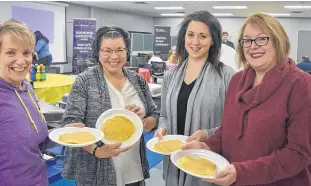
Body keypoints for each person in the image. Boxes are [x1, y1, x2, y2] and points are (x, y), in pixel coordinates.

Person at [185, 13, 311, 186]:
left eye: (261, 39)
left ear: (278, 41)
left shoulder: (300, 84)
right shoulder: (237, 80)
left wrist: (242, 172)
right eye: (247, 40)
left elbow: (299, 154)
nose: (253, 46)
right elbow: (227, 130)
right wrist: (208, 146)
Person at [61, 26, 159, 186]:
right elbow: (70, 123)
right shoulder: (85, 81)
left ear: (127, 51)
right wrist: (97, 151)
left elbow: (154, 115)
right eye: (107, 50)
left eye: (120, 50)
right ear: (97, 52)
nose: (114, 56)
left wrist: (144, 122)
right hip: (96, 171)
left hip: (133, 169)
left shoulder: (137, 80)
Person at [155, 10, 235, 186]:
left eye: (203, 36)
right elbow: (164, 116)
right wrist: (163, 129)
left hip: (207, 163)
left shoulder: (227, 76)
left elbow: (234, 125)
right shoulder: (170, 76)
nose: (195, 42)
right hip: (174, 162)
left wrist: (208, 134)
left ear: (213, 40)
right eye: (190, 35)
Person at [0, 19, 53, 185]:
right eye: (11, 53)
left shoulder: (27, 87)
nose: (21, 61)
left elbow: (33, 143)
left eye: (26, 53)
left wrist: (66, 134)